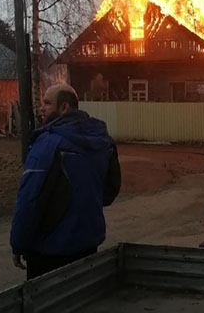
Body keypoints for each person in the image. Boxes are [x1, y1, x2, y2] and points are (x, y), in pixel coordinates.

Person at [10, 83, 121, 279]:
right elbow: (110, 192)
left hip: (49, 251)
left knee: (46, 307)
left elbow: (30, 200)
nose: (41, 108)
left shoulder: (48, 144)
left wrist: (18, 243)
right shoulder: (103, 141)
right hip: (88, 245)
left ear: (64, 108)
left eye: (47, 103)